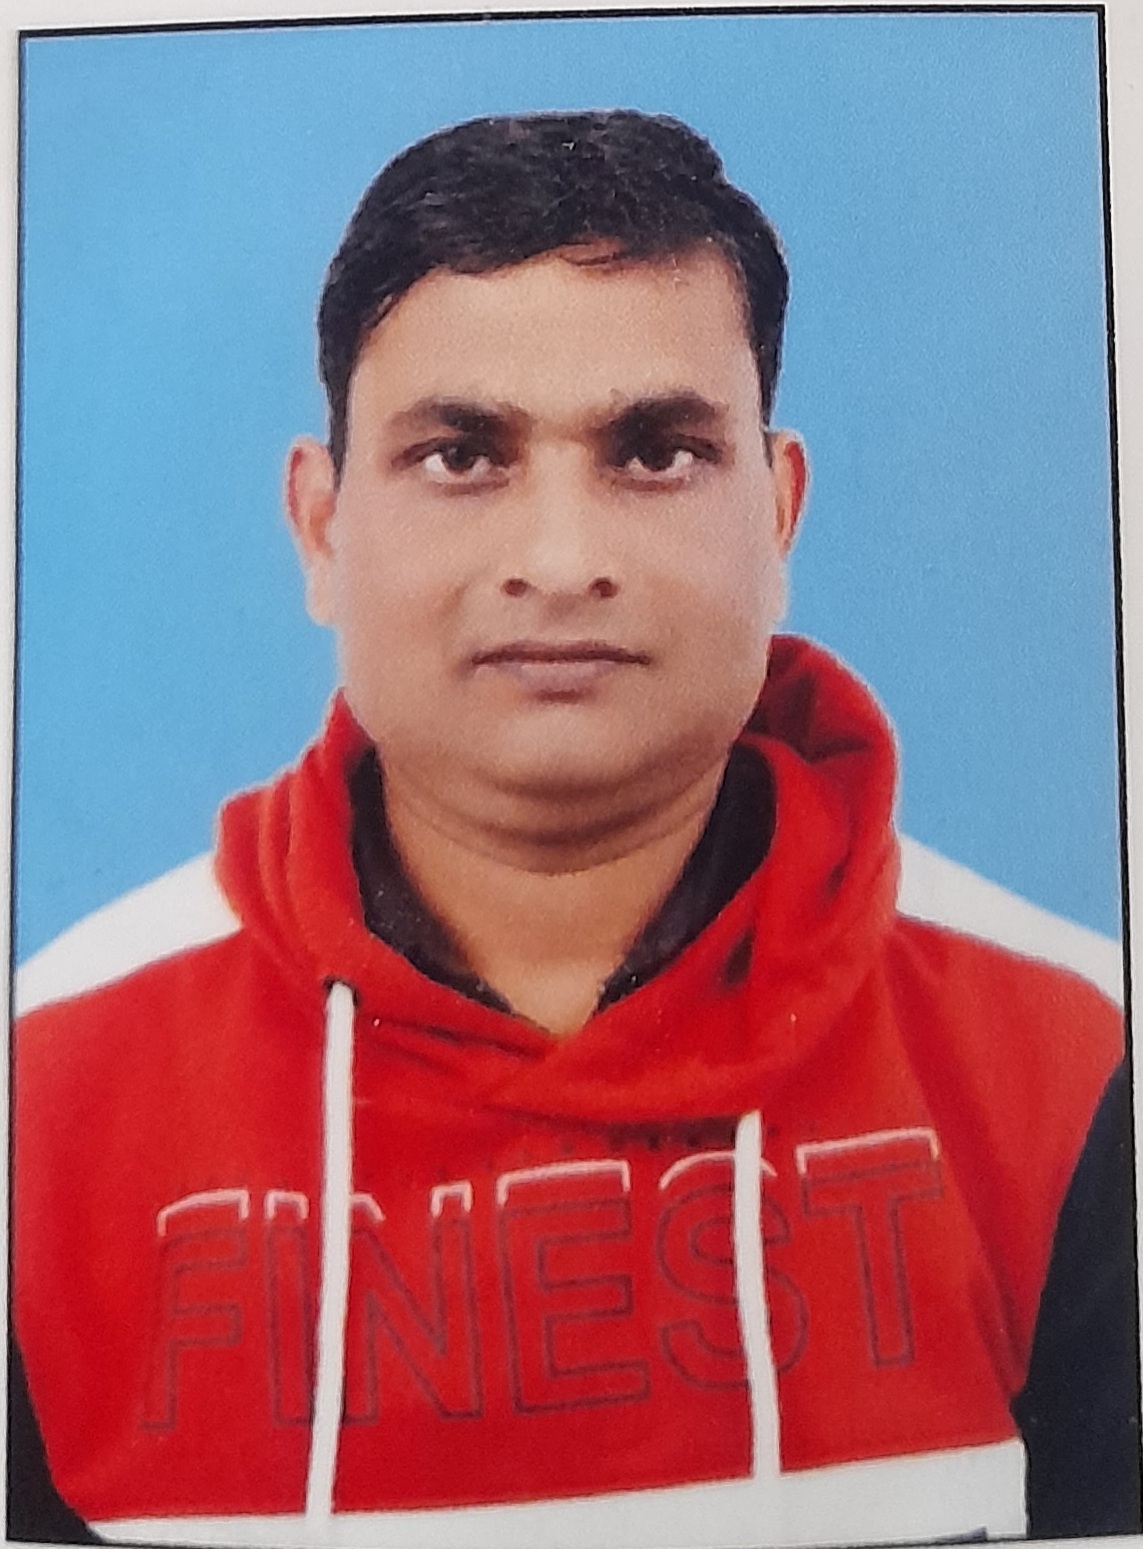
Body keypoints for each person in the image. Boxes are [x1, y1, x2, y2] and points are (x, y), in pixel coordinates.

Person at [11, 110, 1138, 1548]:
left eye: (657, 452)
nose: (559, 562)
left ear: (779, 514)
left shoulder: (1074, 1058)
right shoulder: (42, 1101)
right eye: (460, 455)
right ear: (321, 526)